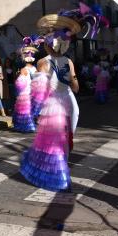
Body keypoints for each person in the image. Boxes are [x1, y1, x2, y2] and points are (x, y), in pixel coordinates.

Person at [21, 13, 80, 192]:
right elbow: (75, 87)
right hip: (67, 102)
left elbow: (40, 91)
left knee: (57, 140)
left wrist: (34, 110)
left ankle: (59, 174)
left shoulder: (45, 62)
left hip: (58, 104)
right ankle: (62, 172)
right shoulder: (64, 61)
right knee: (63, 138)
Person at [13, 37, 42, 132]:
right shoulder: (34, 68)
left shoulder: (24, 69)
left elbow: (19, 84)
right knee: (27, 110)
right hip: (31, 92)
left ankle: (26, 127)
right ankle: (28, 126)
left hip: (25, 92)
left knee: (24, 111)